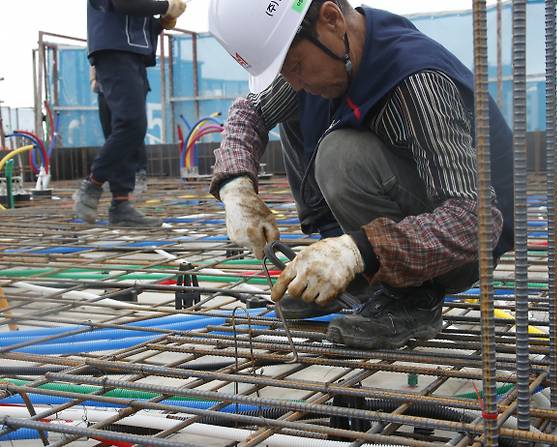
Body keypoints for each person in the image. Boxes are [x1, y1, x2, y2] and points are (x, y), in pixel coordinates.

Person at [208, 0, 514, 349]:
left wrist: (355, 251)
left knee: (341, 154)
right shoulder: (331, 55)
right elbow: (250, 111)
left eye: (295, 66)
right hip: (408, 216)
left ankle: (413, 295)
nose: (294, 82)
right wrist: (236, 186)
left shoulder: (415, 79)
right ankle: (361, 276)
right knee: (297, 108)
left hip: (462, 249)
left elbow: (476, 222)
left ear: (332, 19)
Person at [74, 0, 186, 226]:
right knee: (131, 124)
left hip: (130, 55)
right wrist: (165, 6)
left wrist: (162, 22)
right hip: (115, 52)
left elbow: (139, 23)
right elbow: (125, 4)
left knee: (126, 129)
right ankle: (93, 184)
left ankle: (121, 204)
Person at [90, 66, 148, 196]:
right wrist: (93, 79)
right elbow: (93, 56)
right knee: (111, 133)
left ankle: (139, 173)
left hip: (129, 84)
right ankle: (115, 179)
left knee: (132, 129)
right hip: (105, 87)